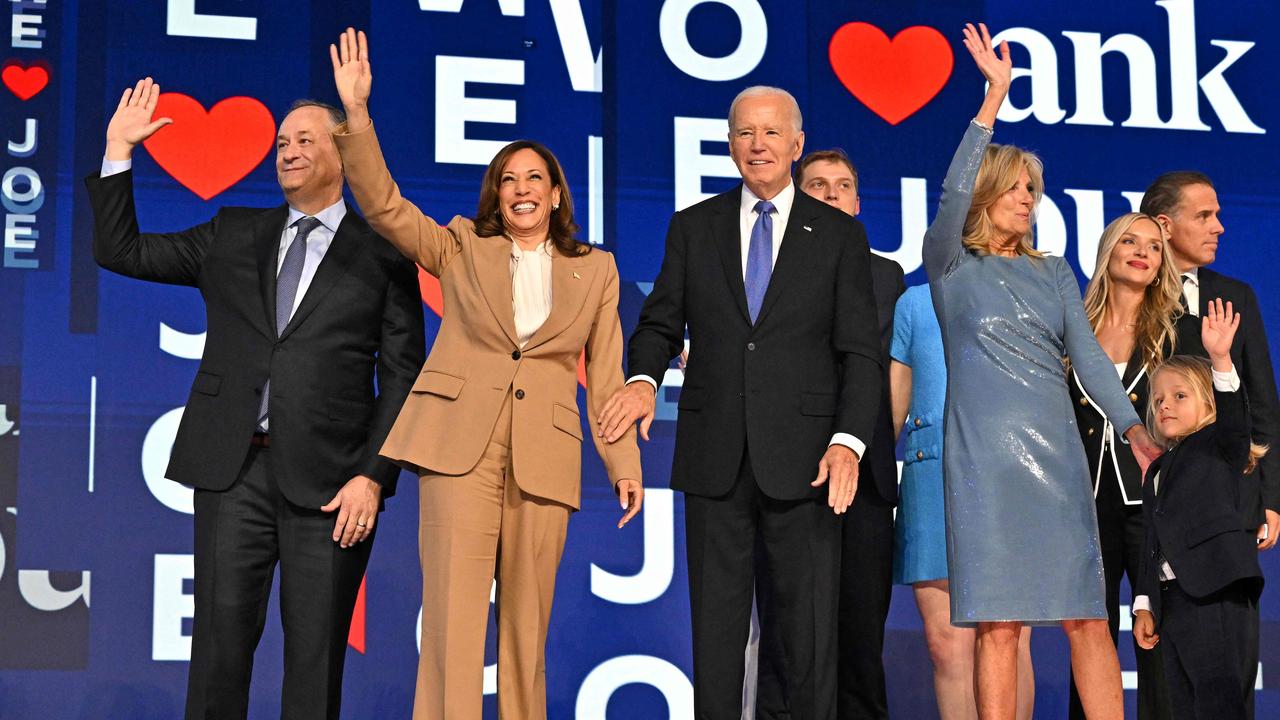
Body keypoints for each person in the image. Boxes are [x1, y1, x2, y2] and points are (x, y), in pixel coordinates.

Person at [327, 29, 643, 720]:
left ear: (557, 194)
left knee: (527, 635)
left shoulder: (598, 269)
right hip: (459, 449)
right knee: (452, 623)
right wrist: (357, 117)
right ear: (495, 196)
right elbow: (385, 208)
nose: (522, 188)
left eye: (535, 178)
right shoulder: (463, 246)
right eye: (509, 179)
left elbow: (610, 371)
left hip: (546, 455)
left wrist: (623, 461)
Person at [87, 79, 425, 719]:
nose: (288, 152)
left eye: (304, 140)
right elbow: (120, 250)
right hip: (231, 471)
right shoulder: (232, 232)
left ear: (343, 154)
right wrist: (117, 154)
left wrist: (373, 478)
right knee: (218, 654)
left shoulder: (383, 253)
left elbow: (404, 377)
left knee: (314, 662)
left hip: (333, 487)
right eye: (280, 142)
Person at [600, 84, 883, 719]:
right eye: (745, 133)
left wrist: (848, 443)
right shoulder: (692, 225)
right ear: (730, 145)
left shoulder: (839, 236)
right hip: (714, 458)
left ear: (796, 144)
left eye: (771, 133)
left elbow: (859, 353)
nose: (758, 145)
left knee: (805, 642)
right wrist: (644, 379)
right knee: (716, 642)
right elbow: (658, 325)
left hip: (807, 461)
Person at [924, 25, 1163, 719]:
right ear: (987, 191)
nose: (1028, 199)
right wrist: (991, 102)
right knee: (1000, 626)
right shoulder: (951, 266)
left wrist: (1132, 429)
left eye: (1034, 189)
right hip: (984, 470)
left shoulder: (1053, 271)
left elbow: (1087, 357)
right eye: (1015, 188)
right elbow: (947, 201)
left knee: (1086, 618)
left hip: (1057, 463)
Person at [751, 148, 903, 720]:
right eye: (818, 185)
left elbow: (874, 371)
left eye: (843, 186)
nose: (833, 194)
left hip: (863, 478)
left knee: (861, 641)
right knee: (789, 636)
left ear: (858, 202)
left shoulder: (885, 275)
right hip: (786, 470)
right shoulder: (761, 270)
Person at [1140, 172, 1277, 718]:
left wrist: (1270, 495)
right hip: (1146, 499)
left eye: (1219, 213)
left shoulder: (1234, 297)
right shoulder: (1129, 290)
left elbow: (1260, 405)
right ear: (1165, 224)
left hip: (1221, 512)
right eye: (1204, 215)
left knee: (1222, 687)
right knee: (1170, 686)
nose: (1219, 226)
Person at [890, 283, 1035, 720]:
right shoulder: (915, 303)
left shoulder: (1028, 293)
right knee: (946, 645)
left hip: (1010, 477)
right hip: (930, 476)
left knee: (1008, 640)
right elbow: (894, 407)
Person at [1067, 213, 1191, 719]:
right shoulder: (1069, 326)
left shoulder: (1176, 333)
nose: (1142, 252)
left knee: (1156, 635)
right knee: (1087, 636)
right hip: (1083, 506)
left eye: (1154, 246)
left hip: (1154, 506)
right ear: (1108, 250)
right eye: (1130, 241)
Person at [1132, 300, 1266, 720]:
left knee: (1220, 703)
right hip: (1174, 603)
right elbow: (1152, 539)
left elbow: (1235, 423)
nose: (1164, 405)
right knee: (1184, 706)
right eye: (1156, 401)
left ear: (1208, 401)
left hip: (1217, 592)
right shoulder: (1156, 469)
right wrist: (1144, 603)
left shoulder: (1218, 444)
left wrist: (1221, 360)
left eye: (1179, 395)